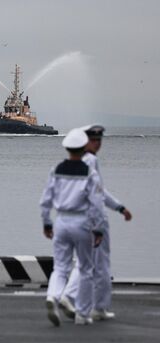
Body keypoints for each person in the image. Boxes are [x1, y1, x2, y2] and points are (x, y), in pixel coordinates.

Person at [60, 125, 133, 321]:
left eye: (99, 140)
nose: (98, 144)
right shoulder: (91, 160)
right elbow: (98, 193)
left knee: (87, 262)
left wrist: (118, 207)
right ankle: (92, 305)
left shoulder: (77, 161)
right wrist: (112, 212)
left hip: (77, 217)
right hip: (94, 218)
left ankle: (83, 301)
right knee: (99, 263)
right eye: (94, 140)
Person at [40, 128, 105, 327]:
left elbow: (45, 200)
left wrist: (46, 222)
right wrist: (98, 228)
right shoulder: (90, 173)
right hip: (81, 221)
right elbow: (96, 203)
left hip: (60, 221)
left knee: (60, 267)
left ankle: (53, 296)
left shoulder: (56, 169)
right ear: (84, 147)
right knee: (85, 268)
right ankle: (82, 314)